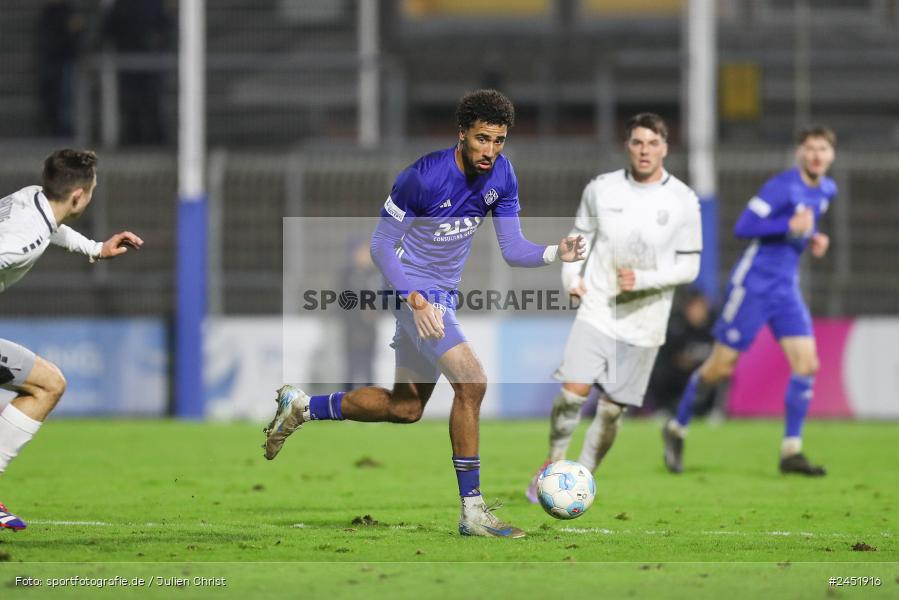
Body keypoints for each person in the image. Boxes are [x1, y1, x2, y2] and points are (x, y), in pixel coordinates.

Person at [263, 89, 586, 538]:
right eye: (482, 139)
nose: (490, 151)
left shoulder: (503, 176)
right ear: (462, 134)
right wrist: (414, 299)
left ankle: (303, 406)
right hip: (408, 292)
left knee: (406, 407)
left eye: (499, 141)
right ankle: (473, 513)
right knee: (472, 382)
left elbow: (513, 250)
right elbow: (380, 247)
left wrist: (556, 252)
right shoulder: (423, 176)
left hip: (441, 297)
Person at [525, 113, 702, 503]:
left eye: (652, 144)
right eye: (638, 142)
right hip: (598, 309)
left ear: (665, 148)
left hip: (645, 322)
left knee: (610, 413)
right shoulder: (602, 189)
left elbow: (690, 265)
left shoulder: (683, 200)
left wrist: (643, 280)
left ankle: (581, 479)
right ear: (628, 145)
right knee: (571, 397)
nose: (645, 150)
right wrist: (571, 279)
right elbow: (577, 238)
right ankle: (552, 468)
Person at [663, 125, 838, 477]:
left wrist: (813, 237)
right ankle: (676, 428)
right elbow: (744, 226)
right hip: (753, 286)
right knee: (720, 368)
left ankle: (791, 451)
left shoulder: (827, 189)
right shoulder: (781, 186)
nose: (817, 154)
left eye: (823, 149)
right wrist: (789, 224)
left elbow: (802, 227)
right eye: (810, 148)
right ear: (799, 153)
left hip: (786, 289)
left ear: (831, 155)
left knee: (807, 365)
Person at [0, 149, 143, 530]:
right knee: (47, 385)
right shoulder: (24, 239)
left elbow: (53, 230)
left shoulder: (31, 197)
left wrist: (95, 249)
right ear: (78, 195)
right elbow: (26, 240)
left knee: (47, 383)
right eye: (92, 190)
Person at [646, 288, 715, 417]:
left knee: (722, 373)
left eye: (701, 306)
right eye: (694, 307)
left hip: (703, 373)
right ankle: (662, 409)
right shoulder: (676, 325)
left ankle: (714, 410)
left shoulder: (714, 325)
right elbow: (668, 355)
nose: (698, 311)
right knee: (657, 371)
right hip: (677, 374)